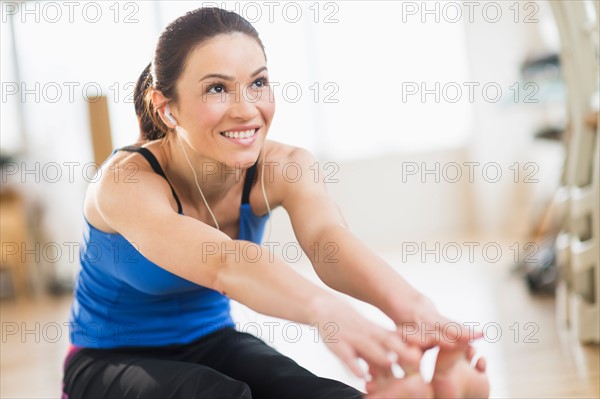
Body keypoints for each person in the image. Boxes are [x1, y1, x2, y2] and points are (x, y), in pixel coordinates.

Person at [62, 7, 489, 399]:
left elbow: (329, 242)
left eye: (258, 83)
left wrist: (416, 311)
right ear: (167, 108)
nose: (246, 109)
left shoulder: (286, 166)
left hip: (213, 340)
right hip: (107, 360)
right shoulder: (125, 182)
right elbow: (225, 262)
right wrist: (325, 311)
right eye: (217, 89)